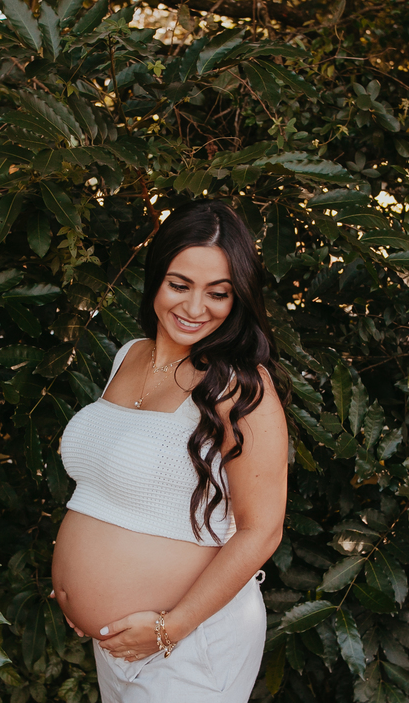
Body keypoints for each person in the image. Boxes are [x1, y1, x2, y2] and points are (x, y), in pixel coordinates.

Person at [50, 199, 290, 702]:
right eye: (180, 285)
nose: (195, 307)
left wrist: (169, 628)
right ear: (156, 278)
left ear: (238, 298)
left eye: (218, 293)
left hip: (187, 646)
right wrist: (80, 586)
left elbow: (262, 530)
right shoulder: (129, 355)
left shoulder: (241, 388)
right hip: (122, 644)